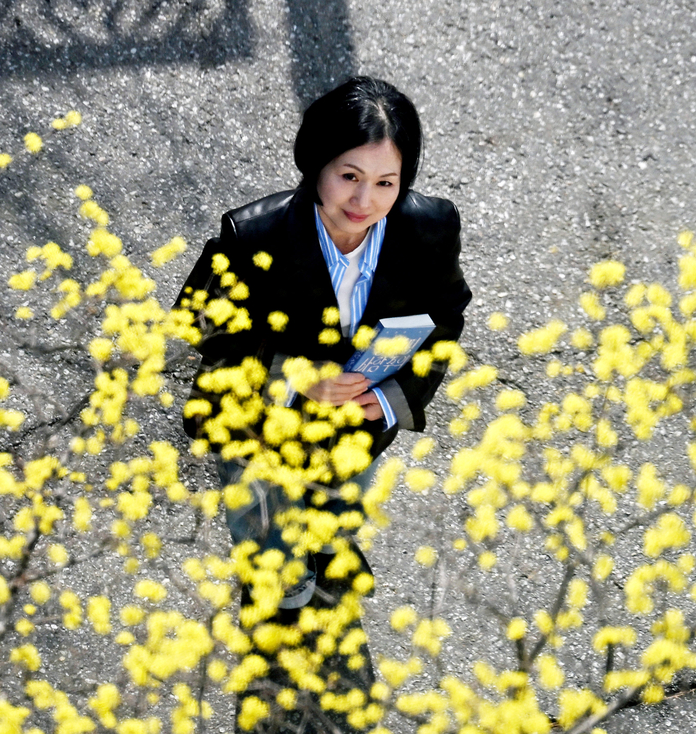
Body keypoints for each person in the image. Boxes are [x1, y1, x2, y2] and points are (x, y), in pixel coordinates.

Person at [174, 76, 471, 732]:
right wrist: (290, 373)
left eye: (386, 183)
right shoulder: (252, 236)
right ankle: (278, 642)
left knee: (336, 510)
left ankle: (328, 550)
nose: (364, 200)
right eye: (348, 177)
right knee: (277, 568)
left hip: (354, 432)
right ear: (315, 165)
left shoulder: (428, 228)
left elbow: (447, 314)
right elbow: (199, 330)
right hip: (255, 431)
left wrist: (393, 397)